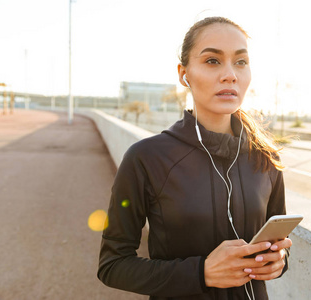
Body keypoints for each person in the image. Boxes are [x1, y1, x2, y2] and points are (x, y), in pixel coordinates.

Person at [97, 16, 292, 300]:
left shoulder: (266, 158)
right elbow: (112, 265)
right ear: (184, 74)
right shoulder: (146, 158)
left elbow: (279, 246)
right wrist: (201, 273)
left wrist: (278, 261)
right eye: (213, 61)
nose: (230, 75)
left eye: (240, 62)